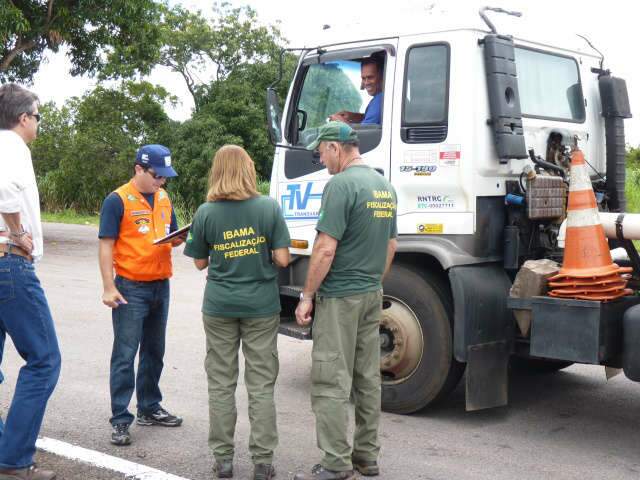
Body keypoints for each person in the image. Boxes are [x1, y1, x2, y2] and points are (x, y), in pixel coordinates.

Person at [293, 122, 397, 480]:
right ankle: (367, 457)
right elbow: (391, 245)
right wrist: (373, 283)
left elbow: (324, 249)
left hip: (340, 297)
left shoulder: (341, 186)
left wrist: (307, 296)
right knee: (367, 378)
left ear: (337, 147)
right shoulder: (384, 186)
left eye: (321, 152)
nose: (321, 160)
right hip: (371, 293)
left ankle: (336, 462)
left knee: (330, 379)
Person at [184, 145, 290, 480]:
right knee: (260, 385)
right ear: (247, 169)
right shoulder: (268, 208)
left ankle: (224, 459)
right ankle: (262, 462)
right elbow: (284, 259)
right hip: (260, 305)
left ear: (217, 172)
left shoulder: (205, 213)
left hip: (219, 306)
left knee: (221, 383)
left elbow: (200, 261)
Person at [98, 144, 186, 447]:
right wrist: (109, 286)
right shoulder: (117, 200)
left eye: (165, 177)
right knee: (124, 355)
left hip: (161, 284)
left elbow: (171, 236)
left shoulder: (163, 197)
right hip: (130, 287)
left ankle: (149, 407)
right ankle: (120, 419)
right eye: (156, 175)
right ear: (138, 169)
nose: (161, 182)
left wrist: (180, 237)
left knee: (154, 350)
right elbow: (106, 244)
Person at [0, 84, 61, 480]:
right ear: (24, 118)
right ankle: (14, 458)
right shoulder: (13, 148)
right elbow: (5, 191)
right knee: (44, 360)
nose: (38, 123)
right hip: (10, 263)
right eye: (37, 116)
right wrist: (18, 231)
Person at [329, 59, 383, 125]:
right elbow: (374, 120)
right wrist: (354, 116)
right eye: (363, 78)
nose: (366, 83)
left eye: (370, 77)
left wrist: (340, 123)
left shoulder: (380, 100)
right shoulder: (380, 99)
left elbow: (364, 133)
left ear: (381, 76)